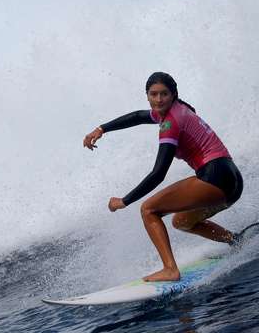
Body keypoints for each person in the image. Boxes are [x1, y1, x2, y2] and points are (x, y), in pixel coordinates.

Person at [82, 72, 243, 282]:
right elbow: (138, 116)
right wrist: (102, 128)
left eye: (164, 94)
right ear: (147, 96)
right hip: (231, 180)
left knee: (148, 210)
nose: (159, 99)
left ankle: (170, 270)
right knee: (182, 222)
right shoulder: (176, 110)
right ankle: (235, 240)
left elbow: (158, 174)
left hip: (215, 177)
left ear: (174, 94)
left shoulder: (171, 122)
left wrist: (124, 201)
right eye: (154, 94)